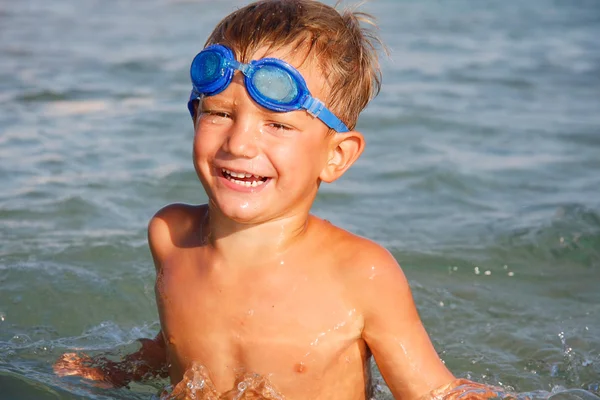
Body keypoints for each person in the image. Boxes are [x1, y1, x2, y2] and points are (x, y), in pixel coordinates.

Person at [55, 1, 497, 398]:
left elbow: (434, 392)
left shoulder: (361, 274)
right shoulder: (172, 238)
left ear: (336, 156)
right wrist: (117, 369)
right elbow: (177, 345)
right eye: (220, 114)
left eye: (277, 125)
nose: (240, 144)